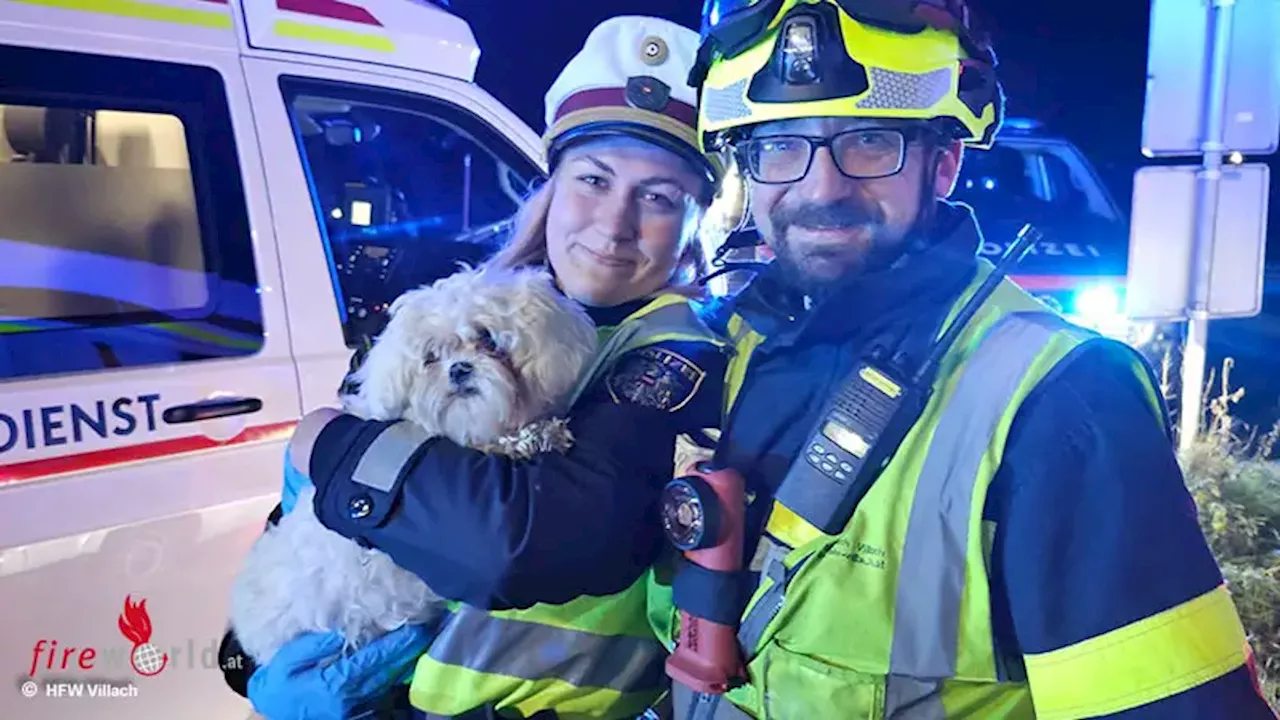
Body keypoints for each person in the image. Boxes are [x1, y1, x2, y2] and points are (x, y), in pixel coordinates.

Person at [643, 1, 1276, 719]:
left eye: (871, 142)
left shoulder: (1061, 400)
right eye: (781, 145)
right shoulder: (724, 350)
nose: (822, 189)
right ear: (745, 171)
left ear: (943, 163)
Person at [220, 15, 731, 720]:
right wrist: (248, 656)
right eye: (593, 179)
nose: (613, 224)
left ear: (698, 222)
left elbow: (517, 542)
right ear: (551, 186)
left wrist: (331, 443)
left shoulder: (681, 360)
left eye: (659, 198)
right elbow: (306, 525)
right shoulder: (444, 310)